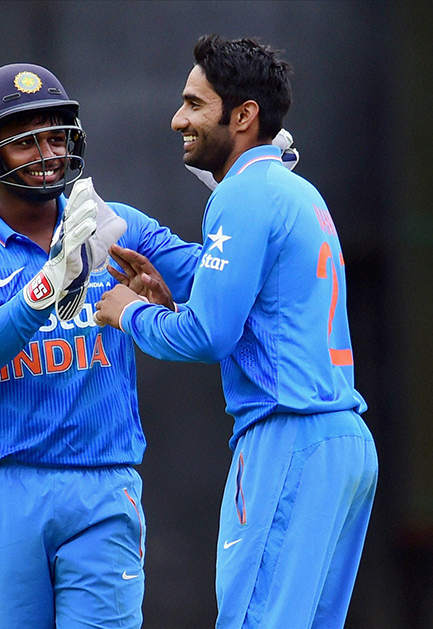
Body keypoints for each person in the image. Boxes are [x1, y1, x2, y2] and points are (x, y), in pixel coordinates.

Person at [95, 35, 377, 629]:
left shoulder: (244, 193)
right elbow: (241, 296)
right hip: (341, 442)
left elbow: (206, 335)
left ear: (243, 115)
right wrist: (158, 270)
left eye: (196, 104)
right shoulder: (292, 189)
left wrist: (127, 312)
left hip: (288, 440)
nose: (178, 119)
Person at [0, 63, 204, 628]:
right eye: (26, 142)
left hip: (102, 482)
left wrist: (243, 194)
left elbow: (214, 283)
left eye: (57, 137)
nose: (48, 153)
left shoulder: (115, 225)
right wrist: (51, 282)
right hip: (5, 486)